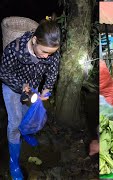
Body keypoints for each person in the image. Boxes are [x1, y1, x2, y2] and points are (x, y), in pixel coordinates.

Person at [0, 15, 61, 179]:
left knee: (27, 114)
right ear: (34, 40)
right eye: (44, 52)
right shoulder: (15, 49)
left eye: (51, 53)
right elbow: (3, 73)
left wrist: (45, 91)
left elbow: (52, 72)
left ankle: (25, 133)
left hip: (32, 89)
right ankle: (14, 162)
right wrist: (21, 86)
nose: (47, 56)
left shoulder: (52, 52)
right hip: (13, 87)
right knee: (14, 122)